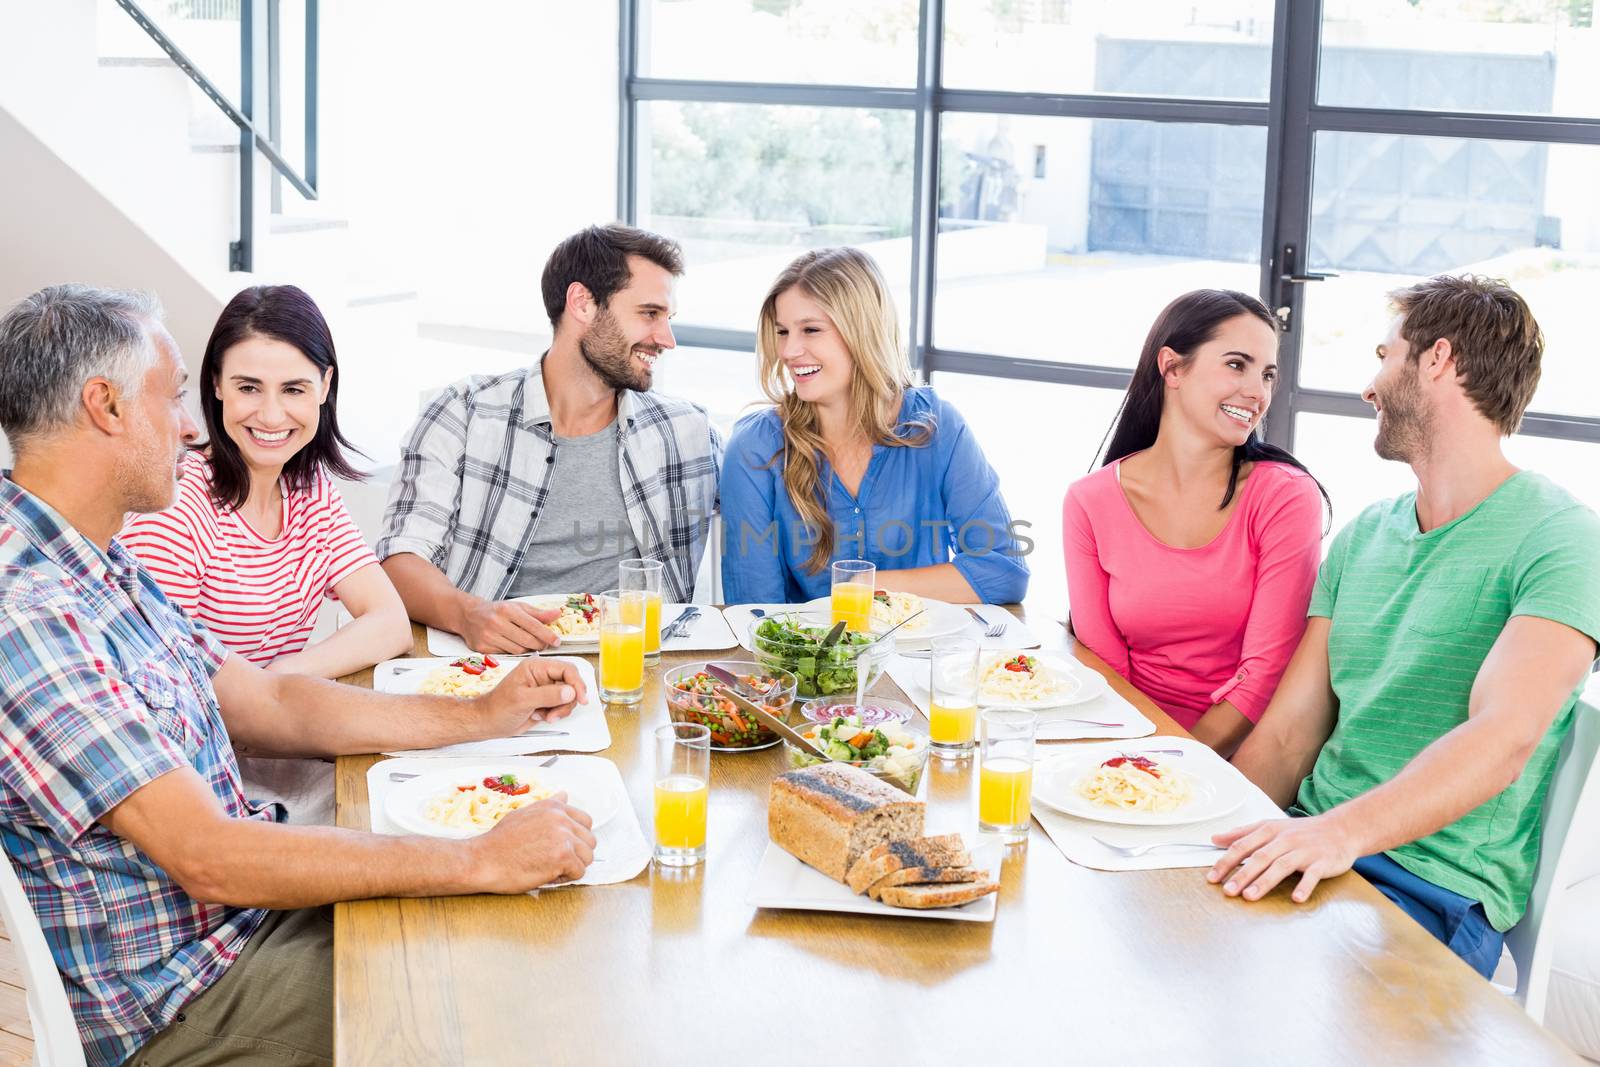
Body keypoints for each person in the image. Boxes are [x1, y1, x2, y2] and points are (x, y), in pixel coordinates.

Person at [0, 285, 597, 1067]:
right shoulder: (29, 611)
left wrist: (482, 713)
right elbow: (209, 854)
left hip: (245, 929)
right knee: (500, 990)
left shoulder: (99, 560)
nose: (189, 425)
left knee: (526, 931)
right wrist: (477, 858)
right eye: (176, 395)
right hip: (191, 1004)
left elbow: (268, 698)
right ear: (107, 406)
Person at [1205, 275, 1600, 979]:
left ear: (1438, 360)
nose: (1370, 385)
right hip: (1311, 846)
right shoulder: (1363, 537)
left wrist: (1336, 834)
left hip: (1430, 890)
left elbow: (1502, 739)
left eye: (1385, 355)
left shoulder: (1563, 537)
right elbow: (1291, 734)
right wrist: (1204, 833)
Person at [377, 224, 722, 654]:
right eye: (649, 314)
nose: (666, 339)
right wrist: (467, 614)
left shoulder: (687, 432)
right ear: (582, 303)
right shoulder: (465, 413)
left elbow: (781, 499)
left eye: (668, 319)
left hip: (632, 672)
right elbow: (400, 559)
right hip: (489, 668)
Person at [1063, 290, 1326, 756]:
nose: (1258, 392)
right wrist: (1127, 761)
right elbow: (1103, 667)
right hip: (1123, 738)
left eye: (1267, 374)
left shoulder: (1283, 496)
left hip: (1233, 756)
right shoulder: (1089, 501)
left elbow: (1265, 674)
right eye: (1236, 364)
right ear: (1173, 368)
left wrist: (1173, 763)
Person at [121, 285, 412, 678]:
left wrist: (276, 681)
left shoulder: (310, 489)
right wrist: (270, 695)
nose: (272, 417)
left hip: (273, 725)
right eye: (249, 388)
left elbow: (392, 623)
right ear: (217, 384)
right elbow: (170, 681)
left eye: (293, 389)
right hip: (205, 737)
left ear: (324, 386)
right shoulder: (175, 505)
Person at [720, 246, 1028, 605]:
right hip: (808, 659)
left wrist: (863, 586)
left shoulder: (938, 426)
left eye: (811, 330)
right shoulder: (755, 446)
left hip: (923, 656)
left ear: (862, 333)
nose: (789, 351)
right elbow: (754, 612)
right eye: (783, 332)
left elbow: (1003, 572)